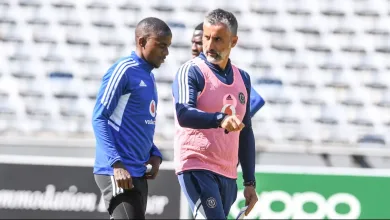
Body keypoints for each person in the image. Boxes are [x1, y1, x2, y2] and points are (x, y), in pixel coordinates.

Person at [173, 9, 260, 219]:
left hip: (228, 173)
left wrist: (249, 182)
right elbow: (184, 114)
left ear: (234, 41)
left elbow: (245, 132)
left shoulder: (243, 78)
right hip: (197, 165)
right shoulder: (191, 71)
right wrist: (220, 119)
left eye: (218, 39)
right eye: (206, 37)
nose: (209, 45)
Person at [92, 17, 172, 219]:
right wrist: (116, 164)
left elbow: (137, 125)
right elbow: (99, 118)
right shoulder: (124, 70)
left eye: (168, 47)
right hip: (117, 172)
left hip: (136, 172)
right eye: (161, 46)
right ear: (142, 41)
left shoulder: (149, 76)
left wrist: (154, 153)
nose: (166, 53)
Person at [191, 22, 265, 118]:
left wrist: (232, 122)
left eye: (199, 43)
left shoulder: (225, 73)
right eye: (192, 42)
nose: (193, 48)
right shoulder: (191, 72)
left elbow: (255, 100)